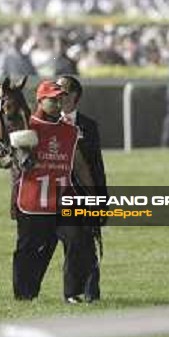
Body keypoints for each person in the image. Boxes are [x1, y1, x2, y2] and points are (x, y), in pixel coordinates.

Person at [10, 80, 97, 302]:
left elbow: (78, 164)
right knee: (31, 251)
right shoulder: (26, 128)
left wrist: (92, 195)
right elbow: (8, 162)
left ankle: (73, 293)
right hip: (32, 202)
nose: (58, 103)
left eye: (61, 99)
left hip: (64, 200)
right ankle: (25, 295)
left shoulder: (70, 130)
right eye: (53, 99)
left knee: (78, 241)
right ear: (40, 100)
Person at [57, 75, 108, 302]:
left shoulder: (88, 126)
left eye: (64, 91)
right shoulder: (45, 124)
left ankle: (90, 293)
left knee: (86, 242)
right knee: (71, 241)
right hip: (53, 196)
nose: (59, 95)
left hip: (84, 194)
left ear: (75, 97)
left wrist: (101, 200)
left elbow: (97, 165)